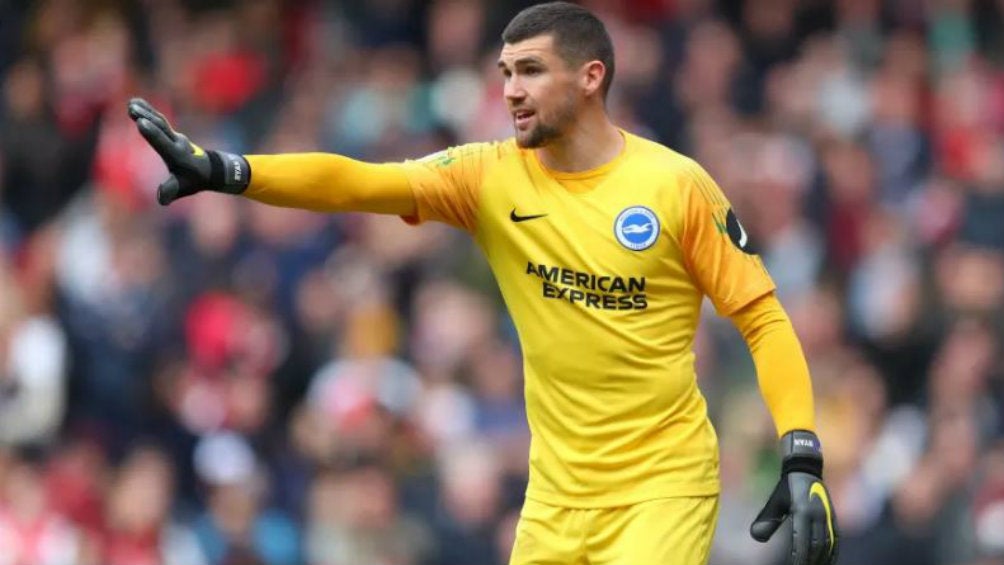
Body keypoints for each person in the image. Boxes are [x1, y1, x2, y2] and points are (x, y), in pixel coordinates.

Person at [127, 2, 838, 564]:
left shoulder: (676, 187)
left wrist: (800, 450)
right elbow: (361, 182)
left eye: (529, 71)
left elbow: (762, 318)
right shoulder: (489, 175)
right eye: (504, 73)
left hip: (662, 486)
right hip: (556, 494)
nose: (510, 91)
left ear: (591, 76)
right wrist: (229, 170)